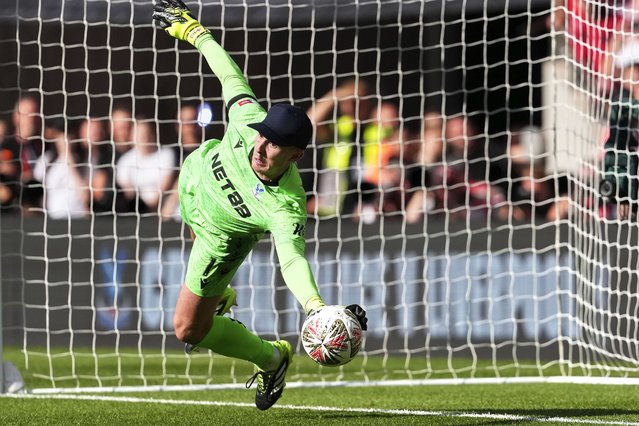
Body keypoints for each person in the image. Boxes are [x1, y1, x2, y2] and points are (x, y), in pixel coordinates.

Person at [152, 0, 367, 411]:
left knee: (187, 330)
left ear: (295, 156)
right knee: (199, 237)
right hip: (193, 183)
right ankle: (219, 297)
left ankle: (272, 358)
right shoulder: (249, 120)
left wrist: (315, 307)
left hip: (219, 238)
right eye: (263, 137)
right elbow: (227, 71)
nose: (261, 148)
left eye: (274, 146)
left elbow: (291, 260)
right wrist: (191, 30)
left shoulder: (286, 205)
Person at [115, 117, 176, 214]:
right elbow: (128, 191)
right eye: (140, 135)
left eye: (147, 133)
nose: (145, 138)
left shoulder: (166, 154)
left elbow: (165, 184)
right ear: (132, 137)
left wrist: (153, 205)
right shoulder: (125, 160)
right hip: (136, 211)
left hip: (163, 209)